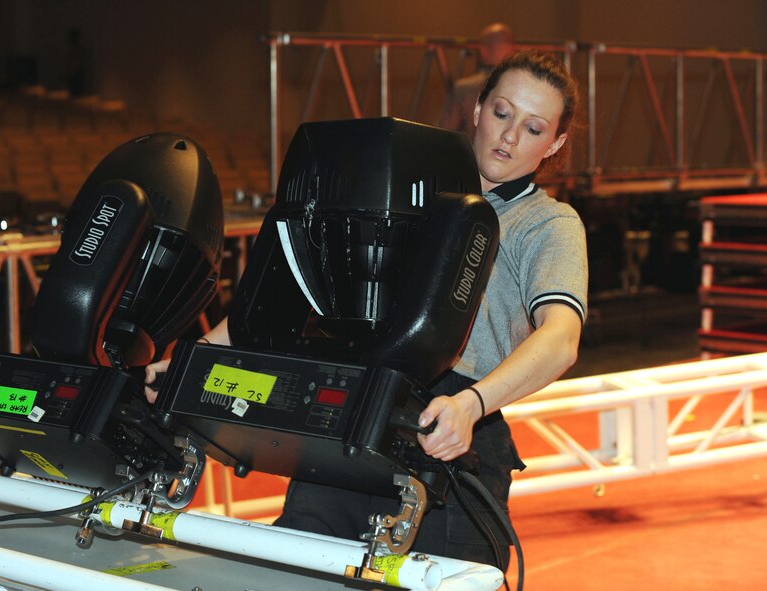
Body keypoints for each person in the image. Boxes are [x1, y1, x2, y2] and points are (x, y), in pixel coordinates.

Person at [145, 50, 587, 571]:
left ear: (554, 143)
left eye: (533, 128)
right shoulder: (399, 187)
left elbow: (561, 339)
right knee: (299, 575)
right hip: (348, 415)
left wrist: (471, 404)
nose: (509, 137)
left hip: (452, 429)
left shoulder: (547, 223)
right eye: (502, 112)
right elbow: (286, 297)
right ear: (477, 109)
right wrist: (192, 359)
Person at [439, 23, 517, 139]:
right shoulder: (527, 88)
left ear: (483, 50)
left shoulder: (464, 88)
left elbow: (444, 131)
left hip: (470, 149)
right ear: (513, 48)